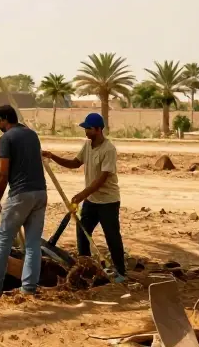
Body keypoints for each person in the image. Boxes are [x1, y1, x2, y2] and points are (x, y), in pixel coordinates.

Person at [42, 112, 125, 283]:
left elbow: (101, 179)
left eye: (88, 128)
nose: (86, 131)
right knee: (82, 232)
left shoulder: (109, 149)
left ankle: (120, 271)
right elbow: (75, 163)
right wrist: (52, 156)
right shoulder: (87, 145)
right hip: (91, 200)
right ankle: (85, 266)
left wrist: (81, 195)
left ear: (98, 129)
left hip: (108, 201)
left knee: (112, 237)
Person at [0, 105, 47, 299]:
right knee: (33, 244)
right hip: (40, 193)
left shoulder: (6, 138)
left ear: (4, 119)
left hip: (20, 194)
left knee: (2, 240)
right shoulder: (32, 135)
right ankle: (29, 288)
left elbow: (3, 173)